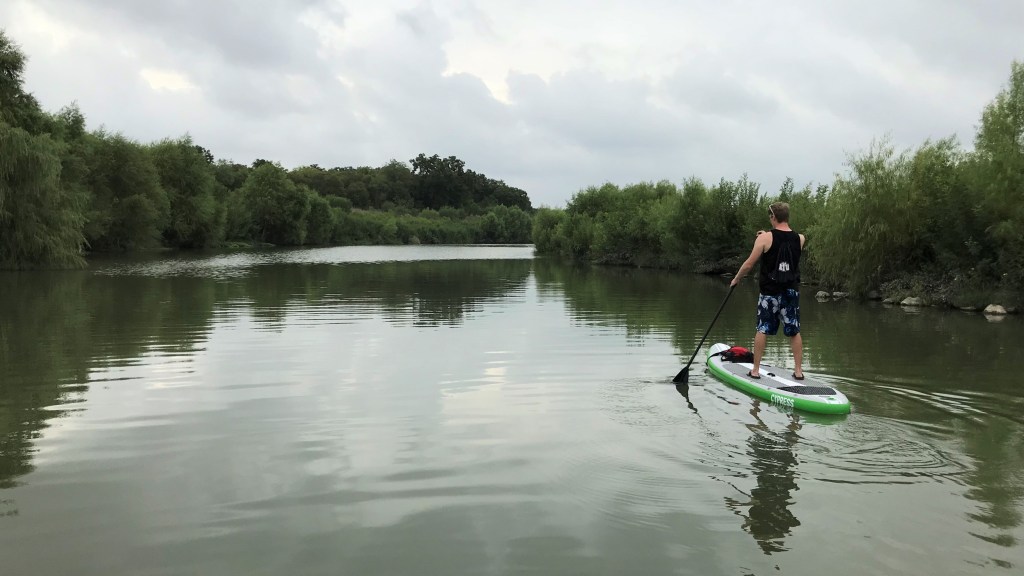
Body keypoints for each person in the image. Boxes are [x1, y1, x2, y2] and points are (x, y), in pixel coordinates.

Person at [729, 202, 806, 380]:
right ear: (787, 216)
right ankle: (798, 371)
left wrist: (736, 279)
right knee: (794, 331)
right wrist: (767, 235)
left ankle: (755, 370)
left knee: (762, 329)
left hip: (769, 293)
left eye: (770, 217)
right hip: (790, 292)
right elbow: (784, 244)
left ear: (773, 217)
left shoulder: (764, 239)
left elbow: (749, 264)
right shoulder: (800, 239)